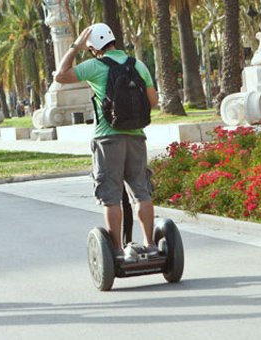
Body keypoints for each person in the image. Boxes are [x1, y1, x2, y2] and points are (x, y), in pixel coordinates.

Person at [53, 23, 160, 260]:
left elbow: (60, 75)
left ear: (93, 48)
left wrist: (74, 47)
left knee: (111, 196)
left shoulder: (95, 65)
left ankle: (117, 251)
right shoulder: (137, 64)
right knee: (141, 192)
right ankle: (151, 245)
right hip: (136, 136)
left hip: (106, 138)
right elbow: (152, 100)